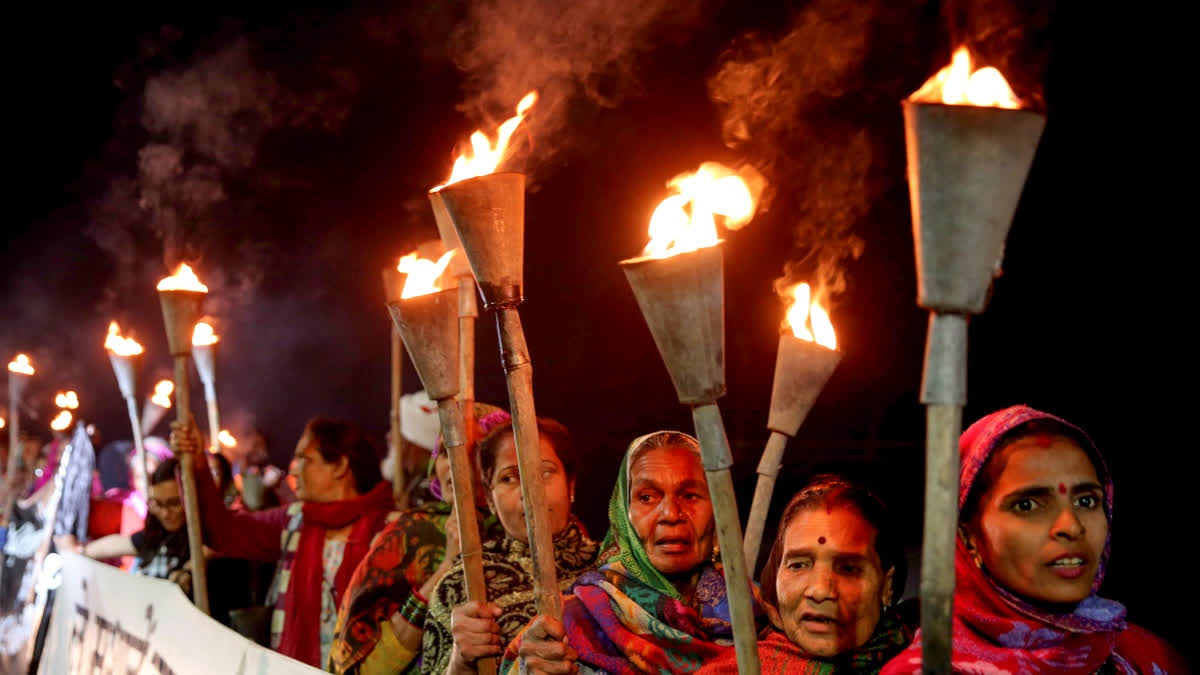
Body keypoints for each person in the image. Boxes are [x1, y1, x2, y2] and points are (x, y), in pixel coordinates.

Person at [882, 405, 1186, 674]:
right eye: (1027, 505)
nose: (1072, 526)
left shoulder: (1146, 658)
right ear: (967, 537)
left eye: (1087, 501)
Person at [504, 431, 759, 675]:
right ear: (623, 515)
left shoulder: (756, 609)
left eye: (690, 495)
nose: (670, 514)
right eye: (647, 497)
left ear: (717, 511)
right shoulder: (570, 622)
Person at [171, 415, 395, 669]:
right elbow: (223, 532)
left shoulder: (390, 530)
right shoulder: (293, 520)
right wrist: (197, 465)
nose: (294, 468)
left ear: (340, 466)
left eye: (305, 459)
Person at [330, 403, 510, 674]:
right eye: (446, 452)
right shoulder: (410, 532)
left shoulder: (529, 534)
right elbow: (365, 667)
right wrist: (448, 564)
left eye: (473, 452)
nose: (454, 464)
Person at [424, 417, 600, 675]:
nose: (529, 490)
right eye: (508, 478)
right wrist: (461, 661)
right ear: (490, 499)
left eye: (544, 472)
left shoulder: (614, 570)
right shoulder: (461, 587)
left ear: (570, 485)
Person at [701, 475, 914, 674]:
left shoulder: (930, 659)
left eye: (848, 569)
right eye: (798, 565)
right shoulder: (737, 669)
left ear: (887, 586)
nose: (820, 591)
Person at [58, 458, 194, 593]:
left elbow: (207, 556)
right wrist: (80, 551)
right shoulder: (157, 534)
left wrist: (188, 573)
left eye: (174, 503)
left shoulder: (203, 543)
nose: (165, 513)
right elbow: (123, 543)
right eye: (158, 504)